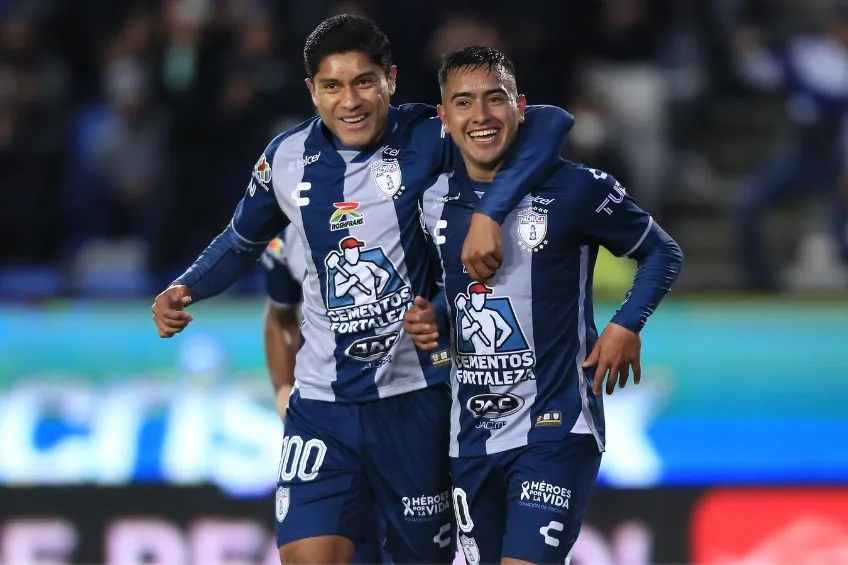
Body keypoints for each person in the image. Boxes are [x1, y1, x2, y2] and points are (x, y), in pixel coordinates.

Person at [150, 15, 573, 565]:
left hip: (418, 401)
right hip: (323, 407)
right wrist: (185, 286)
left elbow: (546, 123)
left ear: (391, 80)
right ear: (312, 91)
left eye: (363, 82)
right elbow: (240, 241)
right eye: (332, 86)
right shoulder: (285, 159)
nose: (349, 101)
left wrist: (490, 213)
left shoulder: (428, 135)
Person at [404, 46, 684, 565]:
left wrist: (626, 323)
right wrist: (434, 317)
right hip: (471, 434)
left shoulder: (576, 186)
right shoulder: (432, 199)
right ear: (444, 118)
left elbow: (662, 252)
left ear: (520, 107)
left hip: (558, 424)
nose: (481, 115)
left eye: (495, 99)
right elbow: (459, 293)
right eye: (463, 102)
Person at [261, 226, 390, 564]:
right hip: (327, 416)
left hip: (404, 405)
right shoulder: (287, 222)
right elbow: (279, 314)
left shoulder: (406, 202)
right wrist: (283, 390)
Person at [732, 1, 848, 290]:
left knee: (839, 232)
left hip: (836, 159)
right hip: (800, 153)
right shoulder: (808, 52)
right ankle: (759, 282)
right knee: (747, 205)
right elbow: (763, 73)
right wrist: (748, 49)